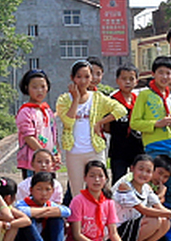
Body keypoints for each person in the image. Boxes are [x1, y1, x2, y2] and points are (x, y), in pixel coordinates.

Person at [67, 160, 171, 241]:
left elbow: (113, 232)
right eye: (92, 176)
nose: (97, 180)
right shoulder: (78, 201)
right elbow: (77, 235)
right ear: (85, 178)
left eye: (100, 176)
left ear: (106, 179)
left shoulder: (108, 202)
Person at [52, 59, 127, 200]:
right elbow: (68, 122)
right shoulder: (64, 99)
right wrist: (75, 99)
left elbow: (121, 109)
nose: (82, 80)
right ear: (72, 78)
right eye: (79, 76)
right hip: (74, 151)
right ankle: (78, 221)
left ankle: (99, 219)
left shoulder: (98, 98)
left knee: (99, 187)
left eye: (87, 76)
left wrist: (101, 122)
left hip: (94, 149)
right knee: (77, 192)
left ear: (91, 78)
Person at [111, 154, 171, 241]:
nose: (144, 174)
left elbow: (159, 207)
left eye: (148, 171)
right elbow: (143, 210)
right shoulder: (125, 186)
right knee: (154, 221)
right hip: (116, 232)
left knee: (165, 221)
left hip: (131, 228)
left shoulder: (146, 188)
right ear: (132, 169)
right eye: (141, 169)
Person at [13, 170, 72, 241]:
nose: (43, 193)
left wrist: (40, 212)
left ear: (53, 191)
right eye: (39, 189)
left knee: (57, 219)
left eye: (47, 189)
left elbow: (67, 211)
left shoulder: (50, 204)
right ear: (31, 190)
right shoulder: (22, 204)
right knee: (27, 220)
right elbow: (22, 211)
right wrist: (47, 211)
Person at [132, 57, 171, 178]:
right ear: (153, 74)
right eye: (161, 72)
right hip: (154, 147)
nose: (164, 77)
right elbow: (134, 123)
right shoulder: (144, 95)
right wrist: (156, 124)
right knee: (153, 185)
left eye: (168, 73)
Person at [105, 63, 144, 182]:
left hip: (137, 146)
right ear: (117, 81)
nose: (127, 82)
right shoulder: (112, 101)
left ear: (136, 81)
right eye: (124, 79)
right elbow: (107, 126)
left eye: (131, 79)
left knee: (137, 179)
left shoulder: (139, 100)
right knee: (118, 180)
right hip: (119, 148)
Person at [15, 68, 55, 177]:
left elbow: (52, 134)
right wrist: (44, 155)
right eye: (34, 87)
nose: (39, 91)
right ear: (26, 88)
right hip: (32, 163)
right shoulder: (25, 112)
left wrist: (55, 153)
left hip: (48, 162)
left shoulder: (47, 110)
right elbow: (29, 138)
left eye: (43, 86)